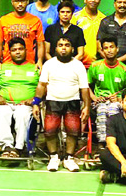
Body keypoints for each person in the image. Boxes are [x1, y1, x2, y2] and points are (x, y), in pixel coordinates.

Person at [33, 37, 90, 172]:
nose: (63, 48)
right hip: (53, 101)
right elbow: (41, 85)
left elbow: (84, 88)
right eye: (60, 45)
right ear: (55, 48)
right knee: (50, 131)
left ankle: (69, 159)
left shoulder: (78, 65)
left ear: (72, 49)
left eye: (67, 45)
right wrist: (36, 103)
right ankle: (53, 157)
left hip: (73, 102)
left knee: (73, 131)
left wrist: (87, 106)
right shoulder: (49, 64)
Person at [0, 37, 40, 158]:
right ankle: (7, 146)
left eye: (20, 49)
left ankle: (19, 147)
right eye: (14, 50)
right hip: (5, 103)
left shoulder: (35, 68)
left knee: (22, 114)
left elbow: (43, 88)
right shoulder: (1, 68)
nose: (17, 52)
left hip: (25, 105)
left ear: (26, 50)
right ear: (9, 52)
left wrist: (34, 99)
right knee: (1, 113)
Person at [87, 35, 126, 148]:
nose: (109, 50)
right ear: (102, 51)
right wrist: (94, 97)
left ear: (117, 49)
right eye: (106, 48)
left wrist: (119, 99)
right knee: (102, 109)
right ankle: (102, 145)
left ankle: (115, 144)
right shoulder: (95, 66)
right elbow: (86, 86)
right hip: (99, 103)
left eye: (112, 47)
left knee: (113, 108)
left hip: (117, 103)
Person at [0, 0, 45, 73]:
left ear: (27, 1)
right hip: (7, 64)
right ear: (12, 2)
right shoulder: (3, 20)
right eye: (17, 1)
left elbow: (40, 44)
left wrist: (39, 61)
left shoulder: (35, 20)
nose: (20, 4)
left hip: (29, 65)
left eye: (23, 1)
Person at [72, 0, 106, 69]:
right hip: (77, 64)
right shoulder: (75, 17)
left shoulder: (104, 19)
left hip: (98, 65)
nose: (93, 0)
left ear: (99, 1)